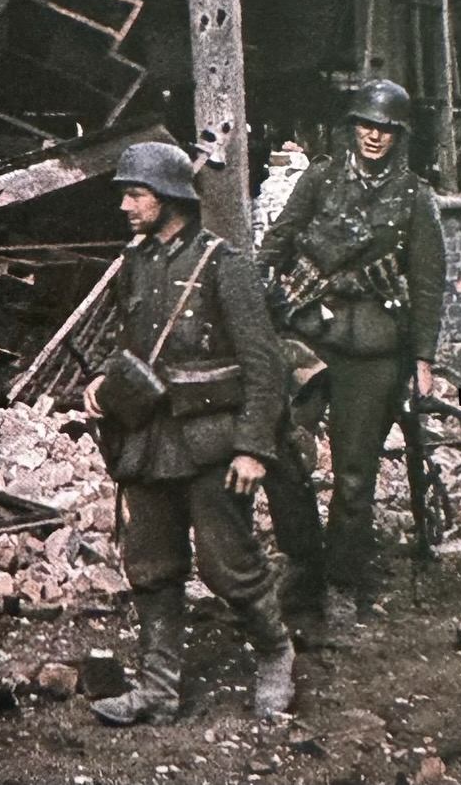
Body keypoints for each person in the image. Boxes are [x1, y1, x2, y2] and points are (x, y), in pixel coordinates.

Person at [83, 141, 295, 725]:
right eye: (125, 194)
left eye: (136, 194)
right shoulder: (136, 262)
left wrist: (253, 448)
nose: (125, 205)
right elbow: (126, 342)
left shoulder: (225, 265)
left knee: (229, 564)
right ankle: (158, 689)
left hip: (210, 442)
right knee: (151, 563)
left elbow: (266, 365)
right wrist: (102, 379)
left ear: (171, 198)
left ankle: (276, 652)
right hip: (146, 440)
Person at [257, 79, 445, 640]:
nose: (374, 136)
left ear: (398, 136)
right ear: (351, 128)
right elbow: (278, 242)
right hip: (310, 336)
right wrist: (259, 296)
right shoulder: (320, 179)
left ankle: (341, 583)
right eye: (366, 124)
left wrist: (423, 360)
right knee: (279, 447)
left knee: (355, 474)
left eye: (385, 129)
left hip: (375, 350)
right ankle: (303, 559)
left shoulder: (414, 198)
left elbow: (428, 283)